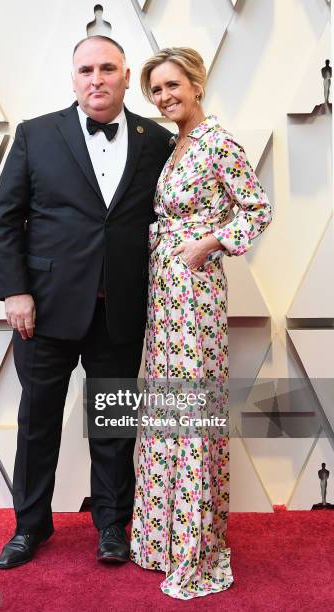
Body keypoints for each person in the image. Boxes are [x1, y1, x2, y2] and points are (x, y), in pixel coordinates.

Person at [0, 35, 171, 569]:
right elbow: (7, 220)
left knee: (114, 425)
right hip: (43, 308)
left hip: (120, 308)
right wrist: (15, 290)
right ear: (73, 77)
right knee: (37, 421)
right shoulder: (35, 134)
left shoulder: (156, 140)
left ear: (125, 74)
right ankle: (29, 528)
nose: (97, 78)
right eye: (87, 69)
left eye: (108, 68)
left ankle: (113, 527)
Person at [130, 47, 272, 599]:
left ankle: (196, 546)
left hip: (195, 290)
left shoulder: (216, 141)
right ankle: (164, 539)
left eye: (172, 85)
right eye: (156, 90)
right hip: (166, 293)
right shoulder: (175, 146)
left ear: (196, 82)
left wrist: (208, 244)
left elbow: (256, 208)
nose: (164, 97)